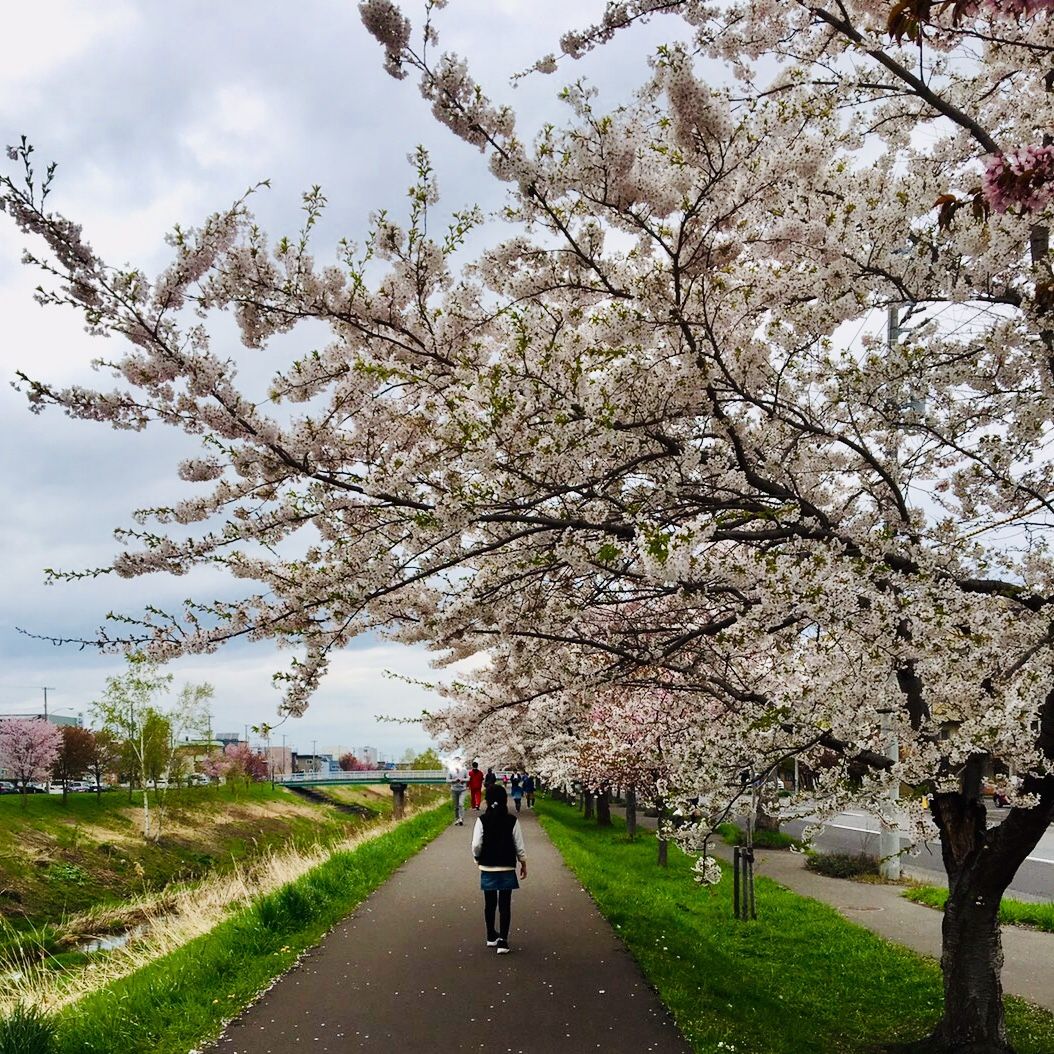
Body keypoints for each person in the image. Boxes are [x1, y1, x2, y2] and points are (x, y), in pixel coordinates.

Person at [472, 784, 527, 954]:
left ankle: (490, 936)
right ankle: (503, 940)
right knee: (504, 904)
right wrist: (523, 861)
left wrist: (477, 858)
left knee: (489, 903)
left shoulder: (482, 820)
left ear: (487, 801)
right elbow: (519, 844)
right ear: (505, 800)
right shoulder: (512, 820)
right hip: (506, 866)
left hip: (488, 866)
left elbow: (476, 844)